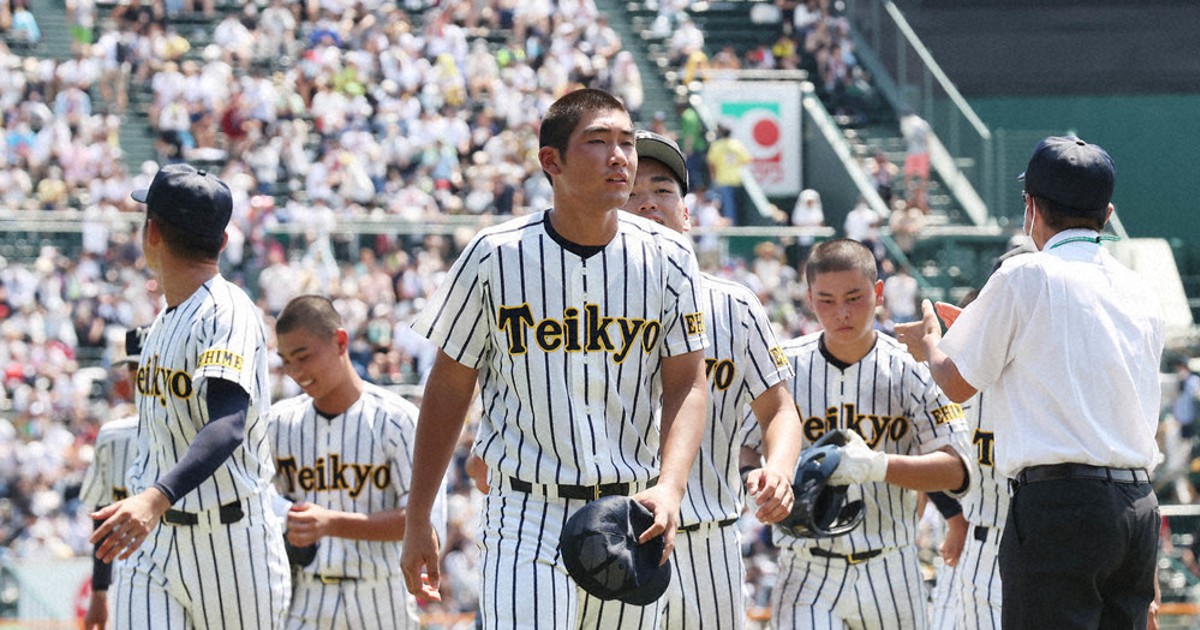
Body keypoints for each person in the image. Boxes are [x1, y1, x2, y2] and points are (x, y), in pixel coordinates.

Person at [399, 88, 710, 628]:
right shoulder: (493, 255)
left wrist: (670, 486)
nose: (620, 156)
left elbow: (688, 383)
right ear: (552, 160)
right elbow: (449, 386)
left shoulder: (671, 256)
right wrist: (419, 514)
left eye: (626, 142)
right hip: (526, 510)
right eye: (599, 141)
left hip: (629, 509)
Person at [899, 136, 1165, 629]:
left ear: (1031, 208)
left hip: (1060, 505)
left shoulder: (1026, 274)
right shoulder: (1142, 292)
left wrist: (932, 344)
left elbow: (956, 384)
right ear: (1107, 214)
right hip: (1138, 507)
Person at [90, 163, 291, 628]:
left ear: (152, 232)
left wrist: (155, 497)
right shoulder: (165, 319)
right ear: (222, 241)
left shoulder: (227, 311)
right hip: (153, 541)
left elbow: (228, 424)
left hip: (231, 544)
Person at [618, 130, 803, 630]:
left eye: (662, 190)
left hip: (709, 540)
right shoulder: (583, 306)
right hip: (617, 537)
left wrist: (780, 470)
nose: (647, 202)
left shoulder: (734, 305)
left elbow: (780, 409)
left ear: (687, 212)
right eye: (631, 192)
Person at [769, 238, 973, 629]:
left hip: (890, 564)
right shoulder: (784, 365)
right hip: (805, 565)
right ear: (809, 298)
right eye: (826, 300)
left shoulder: (912, 368)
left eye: (854, 297)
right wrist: (758, 479)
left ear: (878, 293)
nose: (842, 312)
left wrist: (877, 466)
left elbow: (956, 471)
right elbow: (746, 448)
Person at [267, 295, 447, 629]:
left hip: (381, 597)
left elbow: (426, 524)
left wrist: (332, 522)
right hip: (303, 598)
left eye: (303, 357)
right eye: (286, 361)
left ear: (340, 342)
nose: (295, 372)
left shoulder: (399, 420)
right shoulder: (276, 423)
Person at [79, 326, 146, 630]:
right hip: (132, 577)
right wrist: (99, 591)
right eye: (132, 367)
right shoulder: (113, 436)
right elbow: (102, 516)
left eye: (145, 366)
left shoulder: (196, 436)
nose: (138, 376)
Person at [707, 123, 753, 225]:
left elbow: (710, 162)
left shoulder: (717, 145)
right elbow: (747, 159)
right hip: (736, 179)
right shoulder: (736, 144)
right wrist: (736, 165)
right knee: (732, 205)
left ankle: (731, 226)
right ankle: (731, 224)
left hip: (722, 179)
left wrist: (713, 175)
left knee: (727, 206)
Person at [900, 112, 932, 191]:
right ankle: (912, 191)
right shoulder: (922, 124)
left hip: (916, 152)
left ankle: (918, 192)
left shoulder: (912, 123)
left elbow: (927, 138)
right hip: (918, 152)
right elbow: (927, 138)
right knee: (916, 174)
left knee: (918, 175)